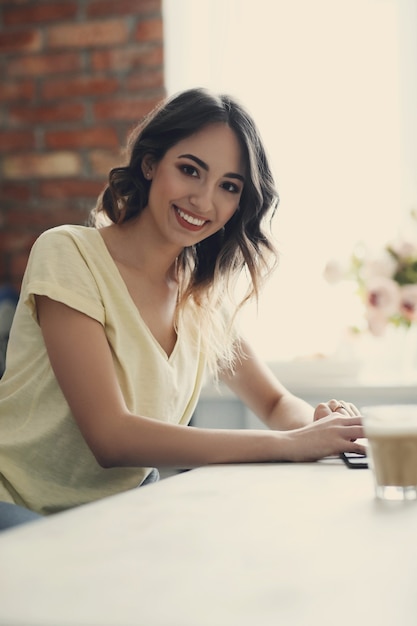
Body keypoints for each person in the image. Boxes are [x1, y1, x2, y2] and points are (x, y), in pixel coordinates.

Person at [0, 88, 365, 530]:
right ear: (150, 163)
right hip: (17, 502)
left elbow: (273, 400)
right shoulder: (68, 252)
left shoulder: (202, 299)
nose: (204, 200)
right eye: (190, 170)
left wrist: (321, 428)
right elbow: (111, 437)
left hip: (112, 516)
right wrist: (289, 444)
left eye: (229, 186)